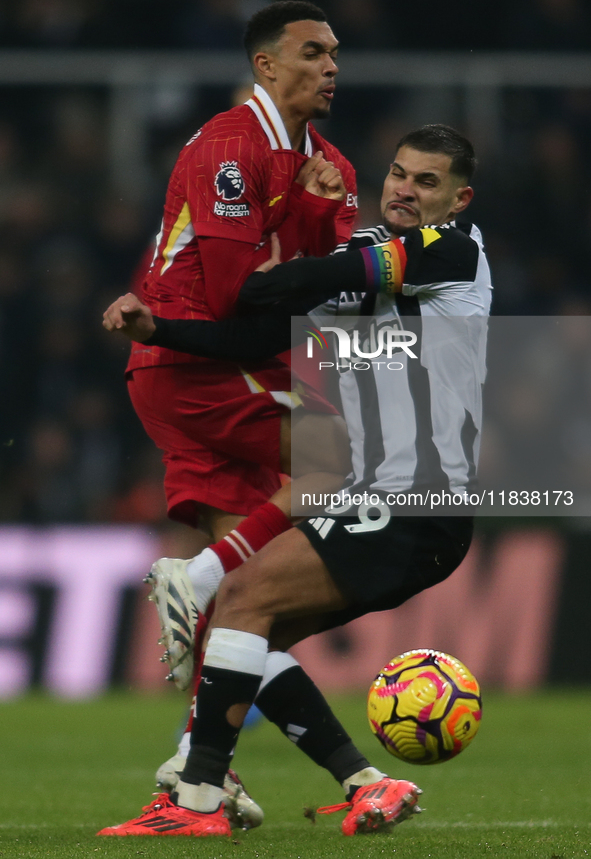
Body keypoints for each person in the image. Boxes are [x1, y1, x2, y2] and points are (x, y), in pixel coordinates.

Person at [99, 125, 492, 837]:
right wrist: (160, 330)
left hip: (415, 497)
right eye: (399, 173)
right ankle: (364, 782)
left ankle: (196, 802)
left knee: (244, 596)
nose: (404, 188)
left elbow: (305, 281)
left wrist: (249, 269)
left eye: (426, 181)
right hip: (371, 492)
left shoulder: (454, 253)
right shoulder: (359, 252)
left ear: (457, 197)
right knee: (246, 629)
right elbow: (256, 334)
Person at [118, 0, 359, 825]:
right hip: (193, 363)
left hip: (227, 364)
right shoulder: (232, 148)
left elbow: (332, 289)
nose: (331, 67)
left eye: (335, 54)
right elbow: (229, 300)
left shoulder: (328, 164)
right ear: (266, 65)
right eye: (312, 52)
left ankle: (201, 773)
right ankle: (196, 577)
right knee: (333, 462)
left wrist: (320, 214)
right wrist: (308, 215)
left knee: (248, 605)